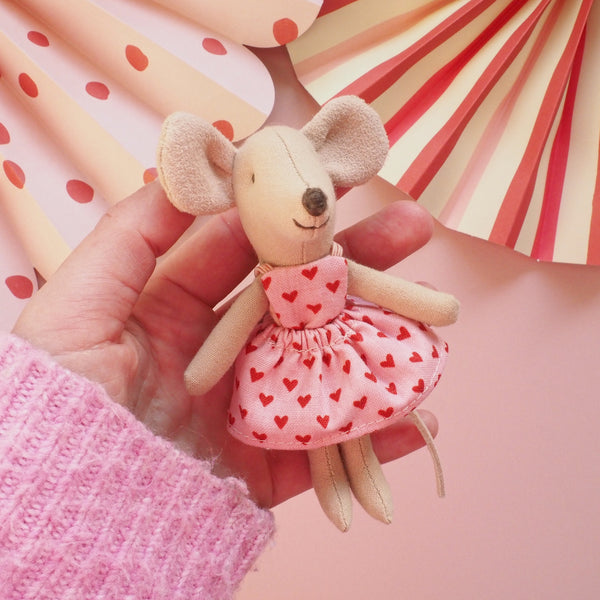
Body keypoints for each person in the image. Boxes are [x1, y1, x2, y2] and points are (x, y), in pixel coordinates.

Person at [0, 48, 440, 600]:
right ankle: (339, 485)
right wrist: (201, 372)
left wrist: (432, 307)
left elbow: (375, 287)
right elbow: (233, 331)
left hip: (347, 346)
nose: (309, 197)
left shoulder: (338, 267)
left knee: (352, 411)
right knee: (320, 433)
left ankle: (363, 479)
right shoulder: (266, 284)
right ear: (217, 184)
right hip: (295, 365)